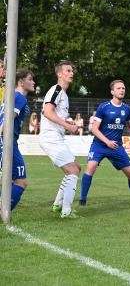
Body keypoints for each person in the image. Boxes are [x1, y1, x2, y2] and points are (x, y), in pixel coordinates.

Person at [79, 80, 130, 206]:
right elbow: (94, 129)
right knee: (90, 167)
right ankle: (82, 200)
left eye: (123, 88)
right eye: (118, 88)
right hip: (100, 144)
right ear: (112, 91)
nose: (122, 90)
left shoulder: (126, 108)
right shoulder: (104, 107)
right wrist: (107, 142)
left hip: (116, 146)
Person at [39, 60, 81, 219]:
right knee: (73, 171)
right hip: (51, 138)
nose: (72, 73)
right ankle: (66, 211)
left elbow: (55, 115)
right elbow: (47, 112)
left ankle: (57, 205)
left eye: (72, 71)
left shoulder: (63, 94)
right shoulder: (56, 90)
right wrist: (68, 126)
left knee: (76, 167)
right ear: (59, 74)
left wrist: (68, 123)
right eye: (68, 71)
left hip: (56, 137)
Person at [0, 69, 35, 210]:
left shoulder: (10, 96)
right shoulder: (20, 97)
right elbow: (8, 119)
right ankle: (3, 212)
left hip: (9, 142)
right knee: (21, 182)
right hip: (7, 142)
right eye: (30, 79)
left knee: (10, 181)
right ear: (21, 82)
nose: (33, 82)